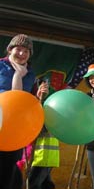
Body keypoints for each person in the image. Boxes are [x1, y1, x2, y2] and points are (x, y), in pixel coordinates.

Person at [0, 34, 48, 189]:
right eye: (18, 49)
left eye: (26, 51)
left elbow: (24, 102)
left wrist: (38, 97)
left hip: (15, 129)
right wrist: (17, 74)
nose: (22, 53)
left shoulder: (31, 74)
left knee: (10, 164)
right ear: (9, 50)